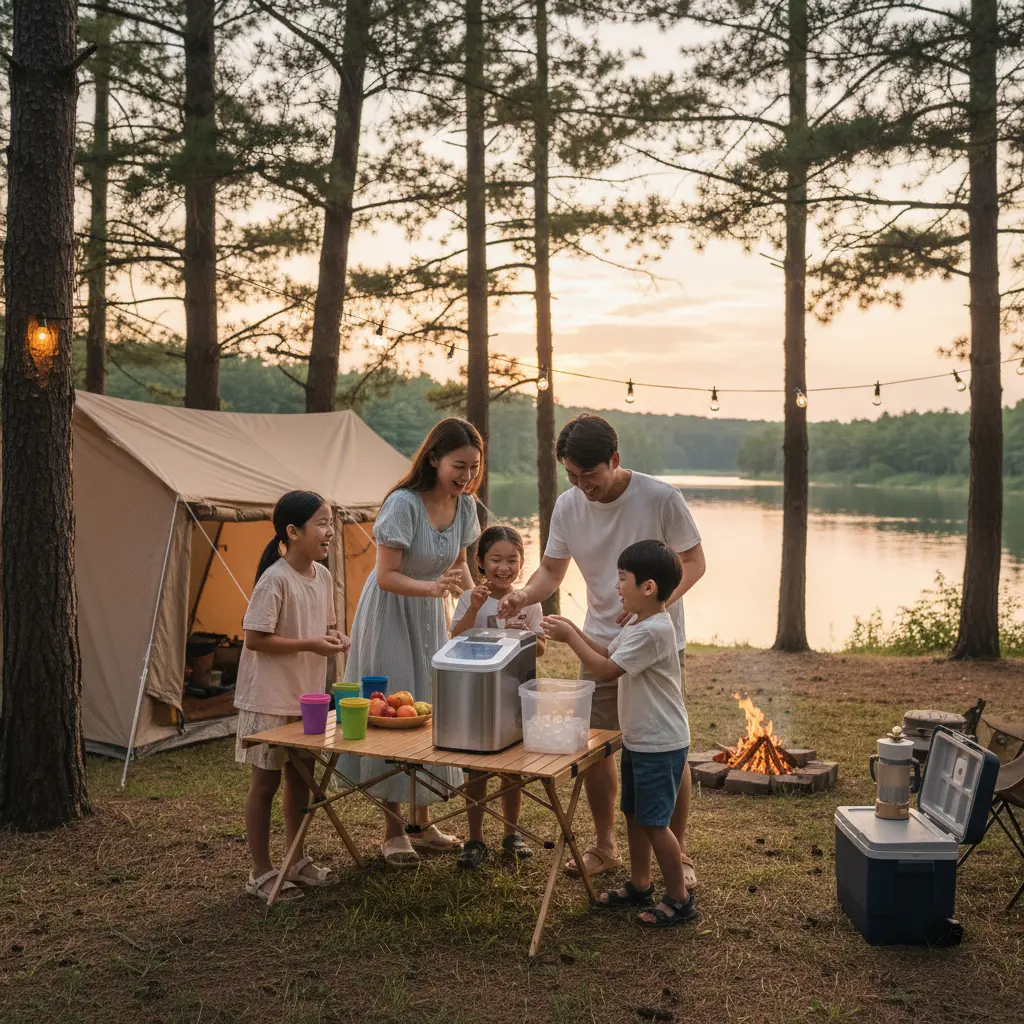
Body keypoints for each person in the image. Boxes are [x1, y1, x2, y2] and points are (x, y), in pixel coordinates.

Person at [499, 414, 705, 888]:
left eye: (589, 475)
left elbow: (694, 562)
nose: (581, 486)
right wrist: (523, 595)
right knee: (597, 744)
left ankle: (677, 853)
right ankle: (605, 845)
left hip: (656, 642)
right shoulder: (569, 505)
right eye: (571, 475)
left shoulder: (661, 497)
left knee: (665, 745)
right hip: (598, 640)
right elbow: (552, 571)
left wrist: (653, 608)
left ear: (614, 459)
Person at [344, 418, 483, 866]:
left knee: (426, 708)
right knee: (392, 711)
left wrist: (479, 599)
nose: (466, 476)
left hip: (429, 615)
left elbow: (459, 567)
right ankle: (392, 831)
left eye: (474, 467)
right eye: (459, 466)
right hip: (390, 611)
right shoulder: (402, 504)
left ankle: (421, 826)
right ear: (434, 458)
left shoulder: (465, 506)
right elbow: (386, 576)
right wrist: (433, 589)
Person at [542, 541, 697, 927]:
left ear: (648, 587)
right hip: (640, 740)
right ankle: (640, 884)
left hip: (660, 743)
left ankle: (680, 900)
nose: (616, 587)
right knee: (635, 813)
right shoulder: (638, 623)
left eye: (623, 579)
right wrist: (574, 630)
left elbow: (607, 672)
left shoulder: (655, 631)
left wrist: (570, 639)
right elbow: (608, 655)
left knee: (655, 823)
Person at [234, 490, 350, 902]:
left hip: (307, 699)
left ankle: (296, 860)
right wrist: (310, 644)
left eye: (331, 523)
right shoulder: (275, 579)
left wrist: (334, 638)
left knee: (302, 779)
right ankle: (260, 872)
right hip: (268, 698)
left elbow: (323, 628)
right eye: (322, 523)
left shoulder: (323, 577)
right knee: (265, 784)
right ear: (293, 532)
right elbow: (254, 639)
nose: (330, 532)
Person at [450, 525, 546, 868]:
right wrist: (474, 609)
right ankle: (474, 838)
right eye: (495, 559)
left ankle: (511, 833)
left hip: (515, 691)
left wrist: (526, 634)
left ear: (521, 562)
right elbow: (454, 639)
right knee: (476, 768)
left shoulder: (528, 601)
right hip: (478, 692)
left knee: (513, 767)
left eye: (512, 560)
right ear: (479, 561)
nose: (504, 567)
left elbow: (541, 648)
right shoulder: (470, 598)